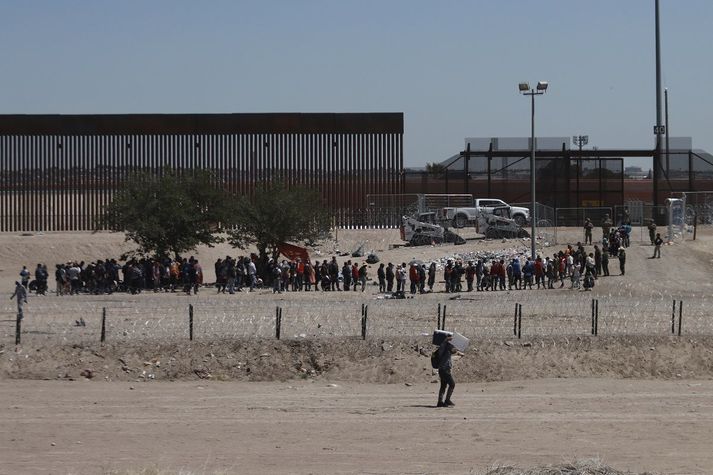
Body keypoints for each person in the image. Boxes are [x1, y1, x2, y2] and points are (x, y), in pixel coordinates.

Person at [436, 334, 464, 408]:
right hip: (444, 369)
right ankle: (447, 400)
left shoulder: (446, 346)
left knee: (443, 386)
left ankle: (440, 402)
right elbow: (452, 350)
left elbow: (453, 351)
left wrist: (457, 350)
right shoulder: (444, 345)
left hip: (443, 369)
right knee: (452, 384)